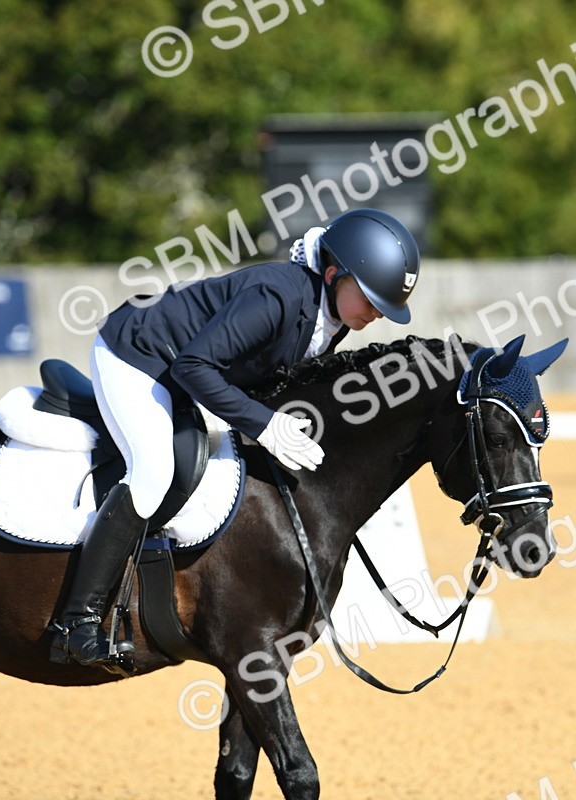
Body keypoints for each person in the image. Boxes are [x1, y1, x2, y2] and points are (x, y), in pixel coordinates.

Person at [48, 208, 420, 667]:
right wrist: (263, 424)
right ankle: (75, 621)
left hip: (184, 370)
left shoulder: (335, 317)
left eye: (382, 308)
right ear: (332, 273)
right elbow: (192, 367)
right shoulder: (276, 296)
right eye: (369, 299)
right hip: (138, 356)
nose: (374, 314)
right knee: (155, 471)